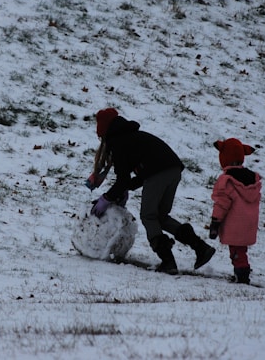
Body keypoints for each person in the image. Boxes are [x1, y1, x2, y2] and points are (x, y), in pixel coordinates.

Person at [88, 108, 215, 275]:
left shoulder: (118, 143)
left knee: (149, 216)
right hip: (173, 169)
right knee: (160, 217)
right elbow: (137, 172)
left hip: (159, 173)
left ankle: (168, 261)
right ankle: (201, 248)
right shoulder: (131, 136)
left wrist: (106, 198)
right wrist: (124, 188)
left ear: (104, 130)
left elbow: (124, 179)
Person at [209, 138, 262, 284]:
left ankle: (242, 274)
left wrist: (215, 222)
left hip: (234, 222)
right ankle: (242, 271)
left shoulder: (227, 180)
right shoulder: (253, 179)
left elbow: (222, 203)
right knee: (241, 248)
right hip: (250, 222)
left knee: (236, 251)